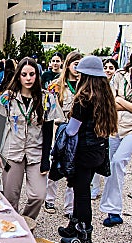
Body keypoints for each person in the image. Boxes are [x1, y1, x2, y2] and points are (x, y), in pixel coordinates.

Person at [58, 56, 117, 243]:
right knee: (80, 189)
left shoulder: (84, 98)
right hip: (97, 152)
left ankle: (84, 236)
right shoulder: (105, 96)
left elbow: (72, 130)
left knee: (81, 193)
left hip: (82, 152)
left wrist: (64, 124)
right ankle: (73, 227)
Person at [0, 57, 62, 220]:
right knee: (10, 196)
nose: (28, 78)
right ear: (18, 76)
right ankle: (11, 226)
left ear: (37, 75)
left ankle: (25, 221)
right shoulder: (7, 98)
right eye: (24, 74)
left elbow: (48, 131)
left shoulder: (47, 98)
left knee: (38, 196)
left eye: (31, 74)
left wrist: (46, 158)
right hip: (12, 152)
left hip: (36, 153)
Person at [44, 51, 82, 217]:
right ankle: (49, 199)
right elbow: (50, 110)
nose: (77, 68)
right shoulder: (56, 85)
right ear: (68, 64)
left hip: (78, 131)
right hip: (60, 130)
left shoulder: (85, 85)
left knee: (74, 168)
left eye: (80, 64)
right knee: (55, 165)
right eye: (75, 64)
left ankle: (69, 207)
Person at [99, 50, 132, 227]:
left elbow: (118, 100)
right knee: (111, 166)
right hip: (115, 126)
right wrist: (125, 104)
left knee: (119, 161)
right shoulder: (121, 75)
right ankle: (113, 211)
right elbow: (111, 102)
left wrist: (122, 100)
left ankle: (113, 207)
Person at [91, 57, 119, 200]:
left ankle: (108, 193)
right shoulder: (97, 84)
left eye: (111, 68)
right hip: (99, 128)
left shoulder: (118, 85)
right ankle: (95, 188)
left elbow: (116, 104)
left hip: (114, 128)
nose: (108, 70)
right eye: (106, 67)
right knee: (98, 159)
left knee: (112, 161)